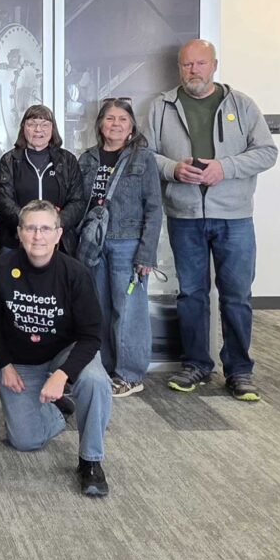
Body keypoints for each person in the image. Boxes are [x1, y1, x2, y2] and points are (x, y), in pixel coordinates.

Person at [147, 39, 278, 401]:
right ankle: (196, 365)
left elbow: (267, 152)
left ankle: (239, 371)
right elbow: (146, 155)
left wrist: (226, 168)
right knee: (191, 295)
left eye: (200, 64)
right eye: (187, 65)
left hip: (234, 217)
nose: (194, 71)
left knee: (236, 296)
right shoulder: (162, 106)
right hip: (185, 215)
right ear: (180, 68)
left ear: (214, 65)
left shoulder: (241, 104)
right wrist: (174, 169)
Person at [0, 200, 112, 496]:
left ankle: (90, 461)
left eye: (45, 228)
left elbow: (92, 335)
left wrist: (63, 374)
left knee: (94, 381)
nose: (37, 236)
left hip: (65, 353)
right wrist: (4, 364)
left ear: (58, 233)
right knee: (24, 441)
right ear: (19, 233)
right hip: (20, 361)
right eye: (30, 228)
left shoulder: (75, 273)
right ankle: (56, 410)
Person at [78, 99, 162, 397]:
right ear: (100, 123)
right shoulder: (87, 158)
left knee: (128, 311)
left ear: (131, 127)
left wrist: (147, 253)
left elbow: (154, 208)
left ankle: (130, 373)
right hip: (94, 245)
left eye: (122, 119)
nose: (116, 124)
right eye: (110, 118)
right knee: (98, 308)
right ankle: (105, 368)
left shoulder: (144, 159)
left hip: (128, 243)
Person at [0, 105, 85, 255]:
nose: (38, 129)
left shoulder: (68, 161)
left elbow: (77, 201)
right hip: (14, 240)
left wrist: (53, 226)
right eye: (32, 124)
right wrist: (27, 226)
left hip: (58, 241)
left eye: (45, 124)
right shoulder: (9, 160)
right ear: (23, 128)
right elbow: (2, 201)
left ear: (52, 129)